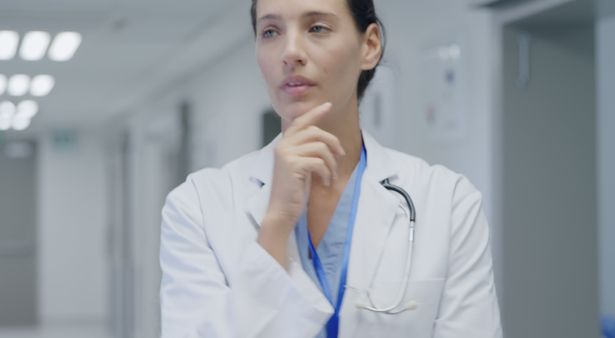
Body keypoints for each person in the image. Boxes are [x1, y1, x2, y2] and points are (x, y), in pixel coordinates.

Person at [159, 0, 503, 336]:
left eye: (317, 27)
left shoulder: (448, 203)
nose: (289, 51)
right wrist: (275, 225)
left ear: (369, 46)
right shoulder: (198, 207)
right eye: (270, 31)